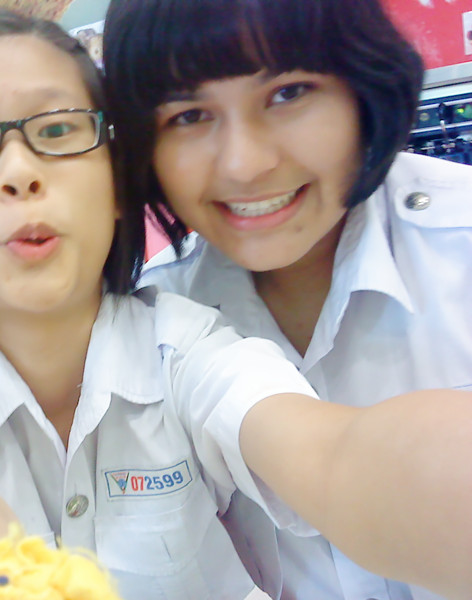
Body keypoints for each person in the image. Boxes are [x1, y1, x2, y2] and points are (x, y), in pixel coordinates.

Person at [0, 9, 472, 600]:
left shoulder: (188, 344)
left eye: (59, 129)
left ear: (117, 179)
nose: (18, 172)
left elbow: (332, 455)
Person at [102, 0, 472, 599]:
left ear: (362, 84)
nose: (245, 164)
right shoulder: (150, 325)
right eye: (190, 115)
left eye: (289, 93)